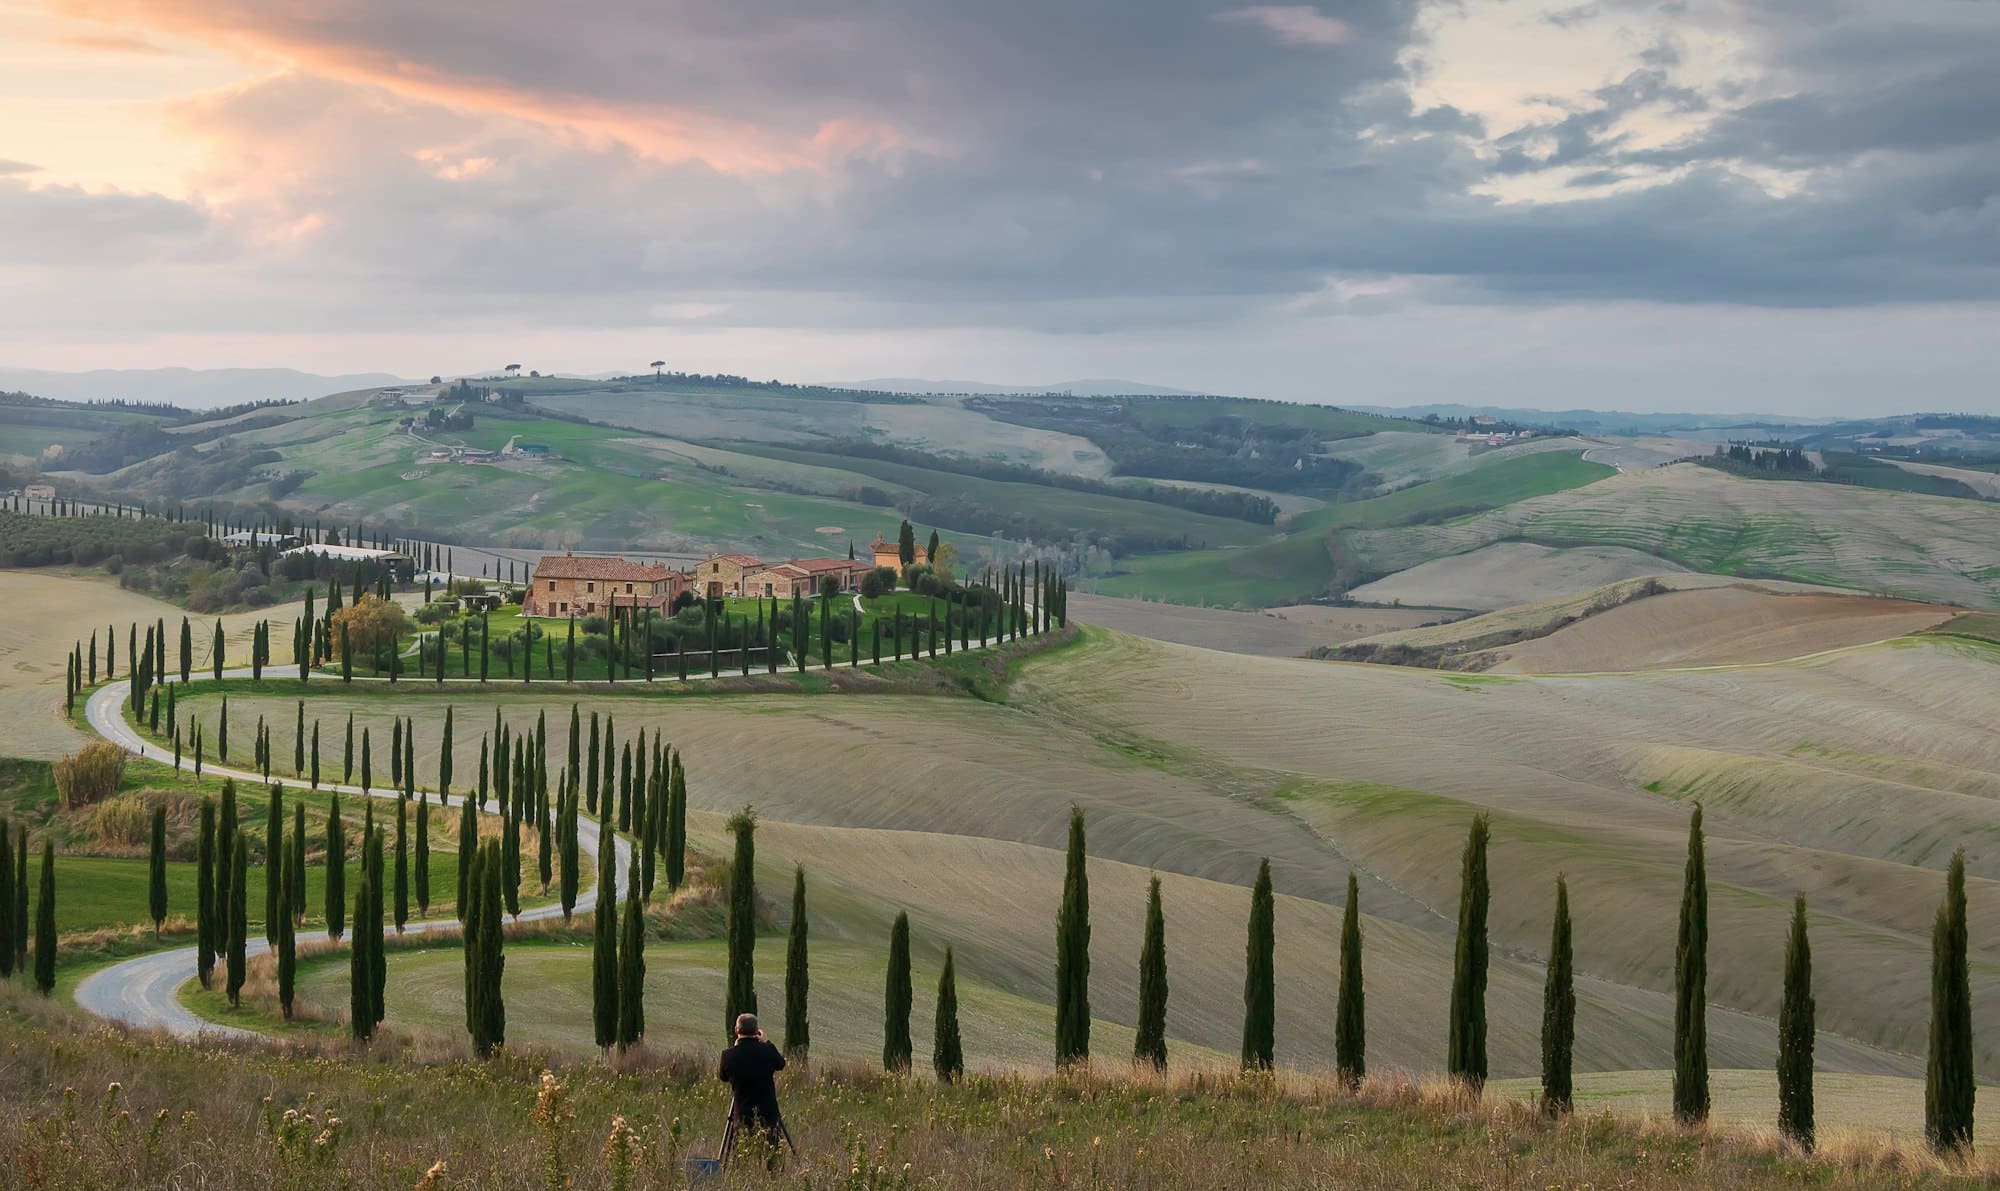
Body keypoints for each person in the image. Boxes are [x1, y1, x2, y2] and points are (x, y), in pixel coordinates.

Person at [718, 1013, 788, 1166]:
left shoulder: (728, 1055)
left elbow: (723, 1076)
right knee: (774, 1158)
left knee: (740, 1158)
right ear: (757, 1031)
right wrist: (766, 1041)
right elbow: (781, 1064)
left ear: (737, 1030)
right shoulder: (768, 1050)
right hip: (768, 1113)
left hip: (742, 1114)